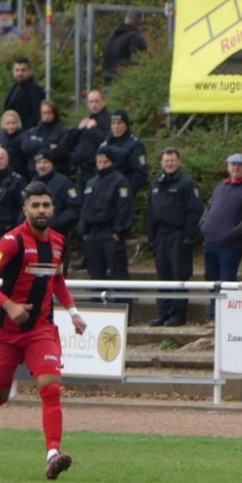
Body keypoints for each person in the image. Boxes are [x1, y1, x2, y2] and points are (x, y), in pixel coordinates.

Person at [0, 181, 87, 480]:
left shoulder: (59, 242)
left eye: (46, 205)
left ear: (53, 208)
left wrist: (73, 312)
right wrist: (10, 306)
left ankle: (53, 454)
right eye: (35, 205)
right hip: (6, 332)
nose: (41, 210)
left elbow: (57, 280)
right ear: (25, 209)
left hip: (41, 329)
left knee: (50, 387)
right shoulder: (11, 241)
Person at [199, 153, 242, 323]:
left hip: (231, 244)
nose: (236, 167)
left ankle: (225, 317)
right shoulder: (221, 186)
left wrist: (234, 232)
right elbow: (210, 206)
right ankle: (213, 313)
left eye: (240, 165)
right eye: (233, 164)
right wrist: (203, 223)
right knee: (211, 278)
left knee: (227, 279)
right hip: (211, 240)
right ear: (228, 166)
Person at [146, 148, 202, 327]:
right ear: (162, 163)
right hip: (161, 236)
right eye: (166, 161)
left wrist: (189, 236)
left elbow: (194, 211)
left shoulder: (187, 184)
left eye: (172, 160)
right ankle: (164, 313)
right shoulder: (157, 184)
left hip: (179, 236)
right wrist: (151, 237)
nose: (169, 163)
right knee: (163, 275)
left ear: (178, 162)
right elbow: (151, 212)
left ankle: (178, 315)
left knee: (179, 276)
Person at [79, 145, 133, 282]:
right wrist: (83, 230)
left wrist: (118, 230)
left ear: (112, 162)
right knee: (96, 274)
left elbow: (124, 207)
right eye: (99, 161)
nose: (102, 165)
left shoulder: (120, 181)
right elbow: (85, 207)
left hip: (110, 232)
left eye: (105, 162)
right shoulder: (91, 182)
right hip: (92, 233)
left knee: (118, 272)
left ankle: (122, 296)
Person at [68, 89, 111, 193]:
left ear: (103, 102)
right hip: (82, 170)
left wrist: (93, 129)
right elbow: (69, 142)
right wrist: (78, 129)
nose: (94, 105)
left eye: (97, 101)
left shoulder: (108, 121)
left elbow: (106, 142)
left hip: (97, 170)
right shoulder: (87, 120)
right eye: (91, 102)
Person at [101, 110, 148, 195]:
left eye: (119, 123)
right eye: (113, 123)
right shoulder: (105, 144)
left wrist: (126, 192)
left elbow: (140, 174)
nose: (116, 126)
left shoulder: (135, 145)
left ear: (126, 125)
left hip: (122, 192)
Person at [20, 99, 72, 177]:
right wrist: (48, 145)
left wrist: (37, 146)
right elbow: (25, 147)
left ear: (54, 114)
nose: (46, 115)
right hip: (34, 174)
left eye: (49, 112)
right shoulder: (32, 132)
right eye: (44, 113)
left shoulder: (63, 131)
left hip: (56, 173)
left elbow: (62, 152)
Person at [103, 10, 148, 87]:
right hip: (125, 82)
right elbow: (142, 60)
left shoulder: (112, 37)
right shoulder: (134, 38)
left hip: (108, 79)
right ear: (140, 23)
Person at [2, 56, 46, 130]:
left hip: (25, 132)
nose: (19, 73)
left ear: (30, 71)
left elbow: (36, 115)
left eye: (23, 70)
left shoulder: (35, 89)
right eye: (17, 70)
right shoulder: (14, 87)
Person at [0, 109, 29, 178]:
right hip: (0, 172)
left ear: (18, 123)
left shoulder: (24, 137)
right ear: (3, 124)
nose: (11, 126)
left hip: (19, 172)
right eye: (8, 123)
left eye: (13, 123)